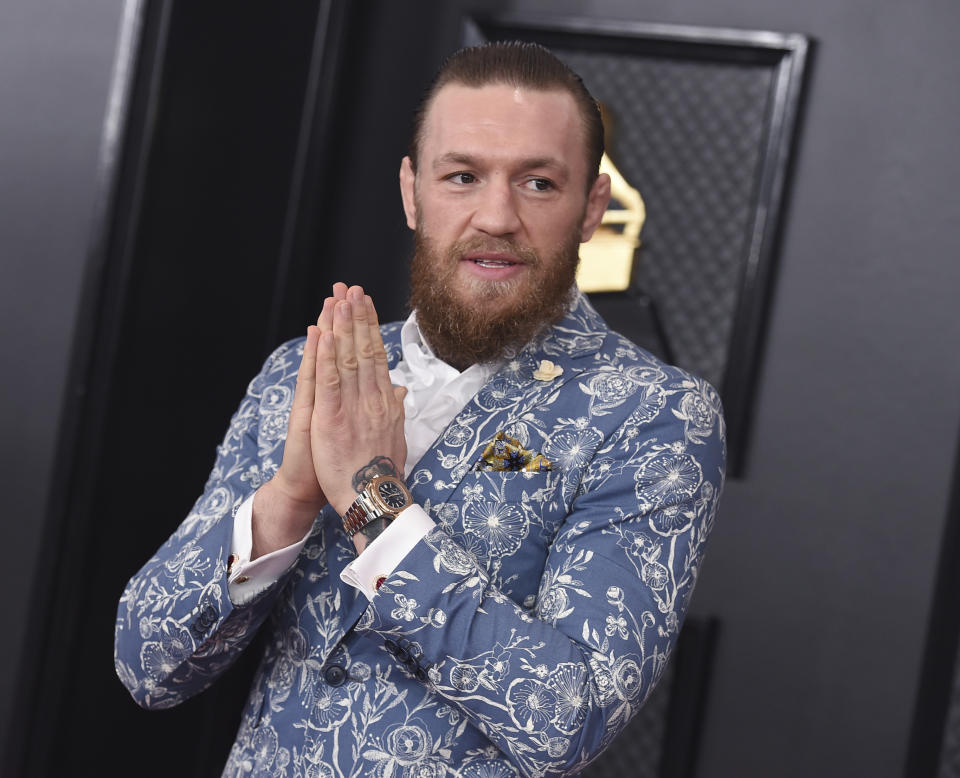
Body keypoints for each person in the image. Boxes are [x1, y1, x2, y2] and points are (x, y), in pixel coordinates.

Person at [115, 41, 725, 778]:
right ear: (412, 192)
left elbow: (568, 720)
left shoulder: (655, 416)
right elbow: (147, 663)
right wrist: (290, 496)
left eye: (537, 183)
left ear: (591, 206)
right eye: (462, 176)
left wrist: (373, 499)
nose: (496, 215)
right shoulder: (302, 374)